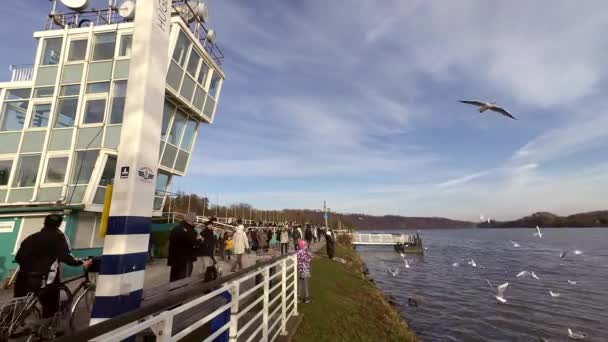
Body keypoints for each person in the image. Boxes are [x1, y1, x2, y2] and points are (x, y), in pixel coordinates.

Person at [14, 214, 92, 318]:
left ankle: (8, 326)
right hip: (44, 278)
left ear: (44, 222)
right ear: (59, 224)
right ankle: (47, 331)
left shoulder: (31, 238)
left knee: (17, 306)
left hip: (22, 277)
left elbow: (18, 258)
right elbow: (65, 257)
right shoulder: (58, 237)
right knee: (50, 307)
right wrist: (81, 262)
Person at [168, 213, 198, 282]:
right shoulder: (189, 230)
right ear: (190, 221)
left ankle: (173, 291)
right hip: (185, 260)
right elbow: (192, 244)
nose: (195, 223)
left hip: (175, 259)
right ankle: (181, 292)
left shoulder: (175, 228)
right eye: (194, 221)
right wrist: (199, 241)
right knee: (184, 280)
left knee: (174, 279)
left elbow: (171, 240)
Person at [296, 239, 312, 304]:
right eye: (305, 245)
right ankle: (306, 297)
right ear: (303, 246)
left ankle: (298, 297)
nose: (307, 246)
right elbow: (307, 259)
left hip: (299, 269)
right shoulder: (304, 252)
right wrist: (309, 255)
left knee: (299, 283)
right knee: (305, 284)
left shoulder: (297, 252)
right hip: (305, 270)